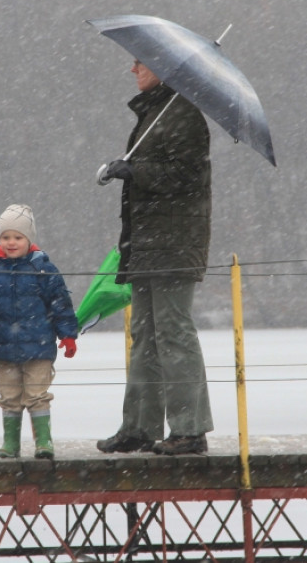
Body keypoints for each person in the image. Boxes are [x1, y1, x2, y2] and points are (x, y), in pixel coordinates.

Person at [96, 58, 214, 456]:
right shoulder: (155, 112)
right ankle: (139, 428)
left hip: (174, 245)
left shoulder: (184, 115)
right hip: (147, 245)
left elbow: (187, 176)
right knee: (144, 335)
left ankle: (189, 430)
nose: (133, 69)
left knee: (173, 332)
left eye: (140, 63)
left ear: (162, 67)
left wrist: (136, 171)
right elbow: (162, 171)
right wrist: (131, 169)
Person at [0, 204, 78, 460]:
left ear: (29, 239)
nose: (11, 242)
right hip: (3, 346)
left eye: (18, 237)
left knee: (37, 395)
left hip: (39, 346)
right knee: (9, 396)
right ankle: (10, 443)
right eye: (5, 237)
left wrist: (68, 335)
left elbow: (60, 304)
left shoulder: (42, 269)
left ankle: (43, 442)